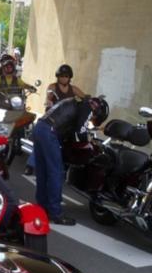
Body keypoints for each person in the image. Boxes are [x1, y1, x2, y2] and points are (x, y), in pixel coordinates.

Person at [33, 96, 109, 225]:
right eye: (93, 118)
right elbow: (81, 131)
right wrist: (88, 144)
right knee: (56, 173)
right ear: (97, 112)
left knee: (43, 172)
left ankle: (42, 208)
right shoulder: (88, 107)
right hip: (50, 133)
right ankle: (56, 213)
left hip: (40, 127)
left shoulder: (75, 101)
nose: (91, 119)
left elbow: (70, 126)